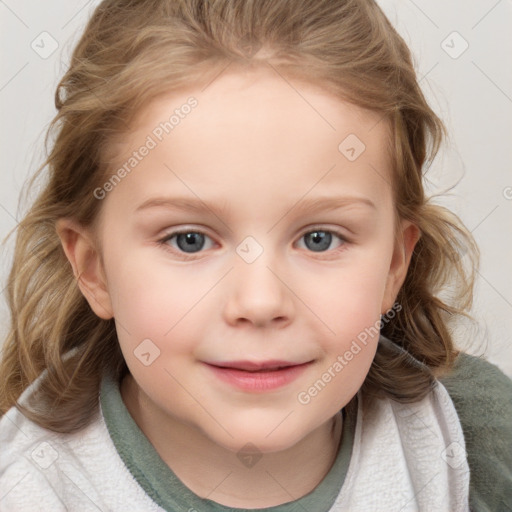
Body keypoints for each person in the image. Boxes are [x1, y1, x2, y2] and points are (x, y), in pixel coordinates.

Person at [0, 0, 510, 510]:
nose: (261, 301)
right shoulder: (31, 490)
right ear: (94, 269)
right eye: (189, 240)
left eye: (320, 238)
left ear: (393, 267)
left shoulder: (471, 442)